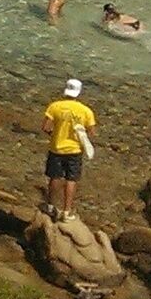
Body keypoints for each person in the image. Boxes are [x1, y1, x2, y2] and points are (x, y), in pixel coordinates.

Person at [41, 78, 96, 222]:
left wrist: (55, 134)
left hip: (56, 148)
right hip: (75, 150)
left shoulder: (54, 106)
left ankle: (51, 206)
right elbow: (91, 133)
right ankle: (67, 211)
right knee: (71, 179)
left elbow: (45, 127)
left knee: (54, 177)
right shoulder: (86, 111)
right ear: (79, 92)